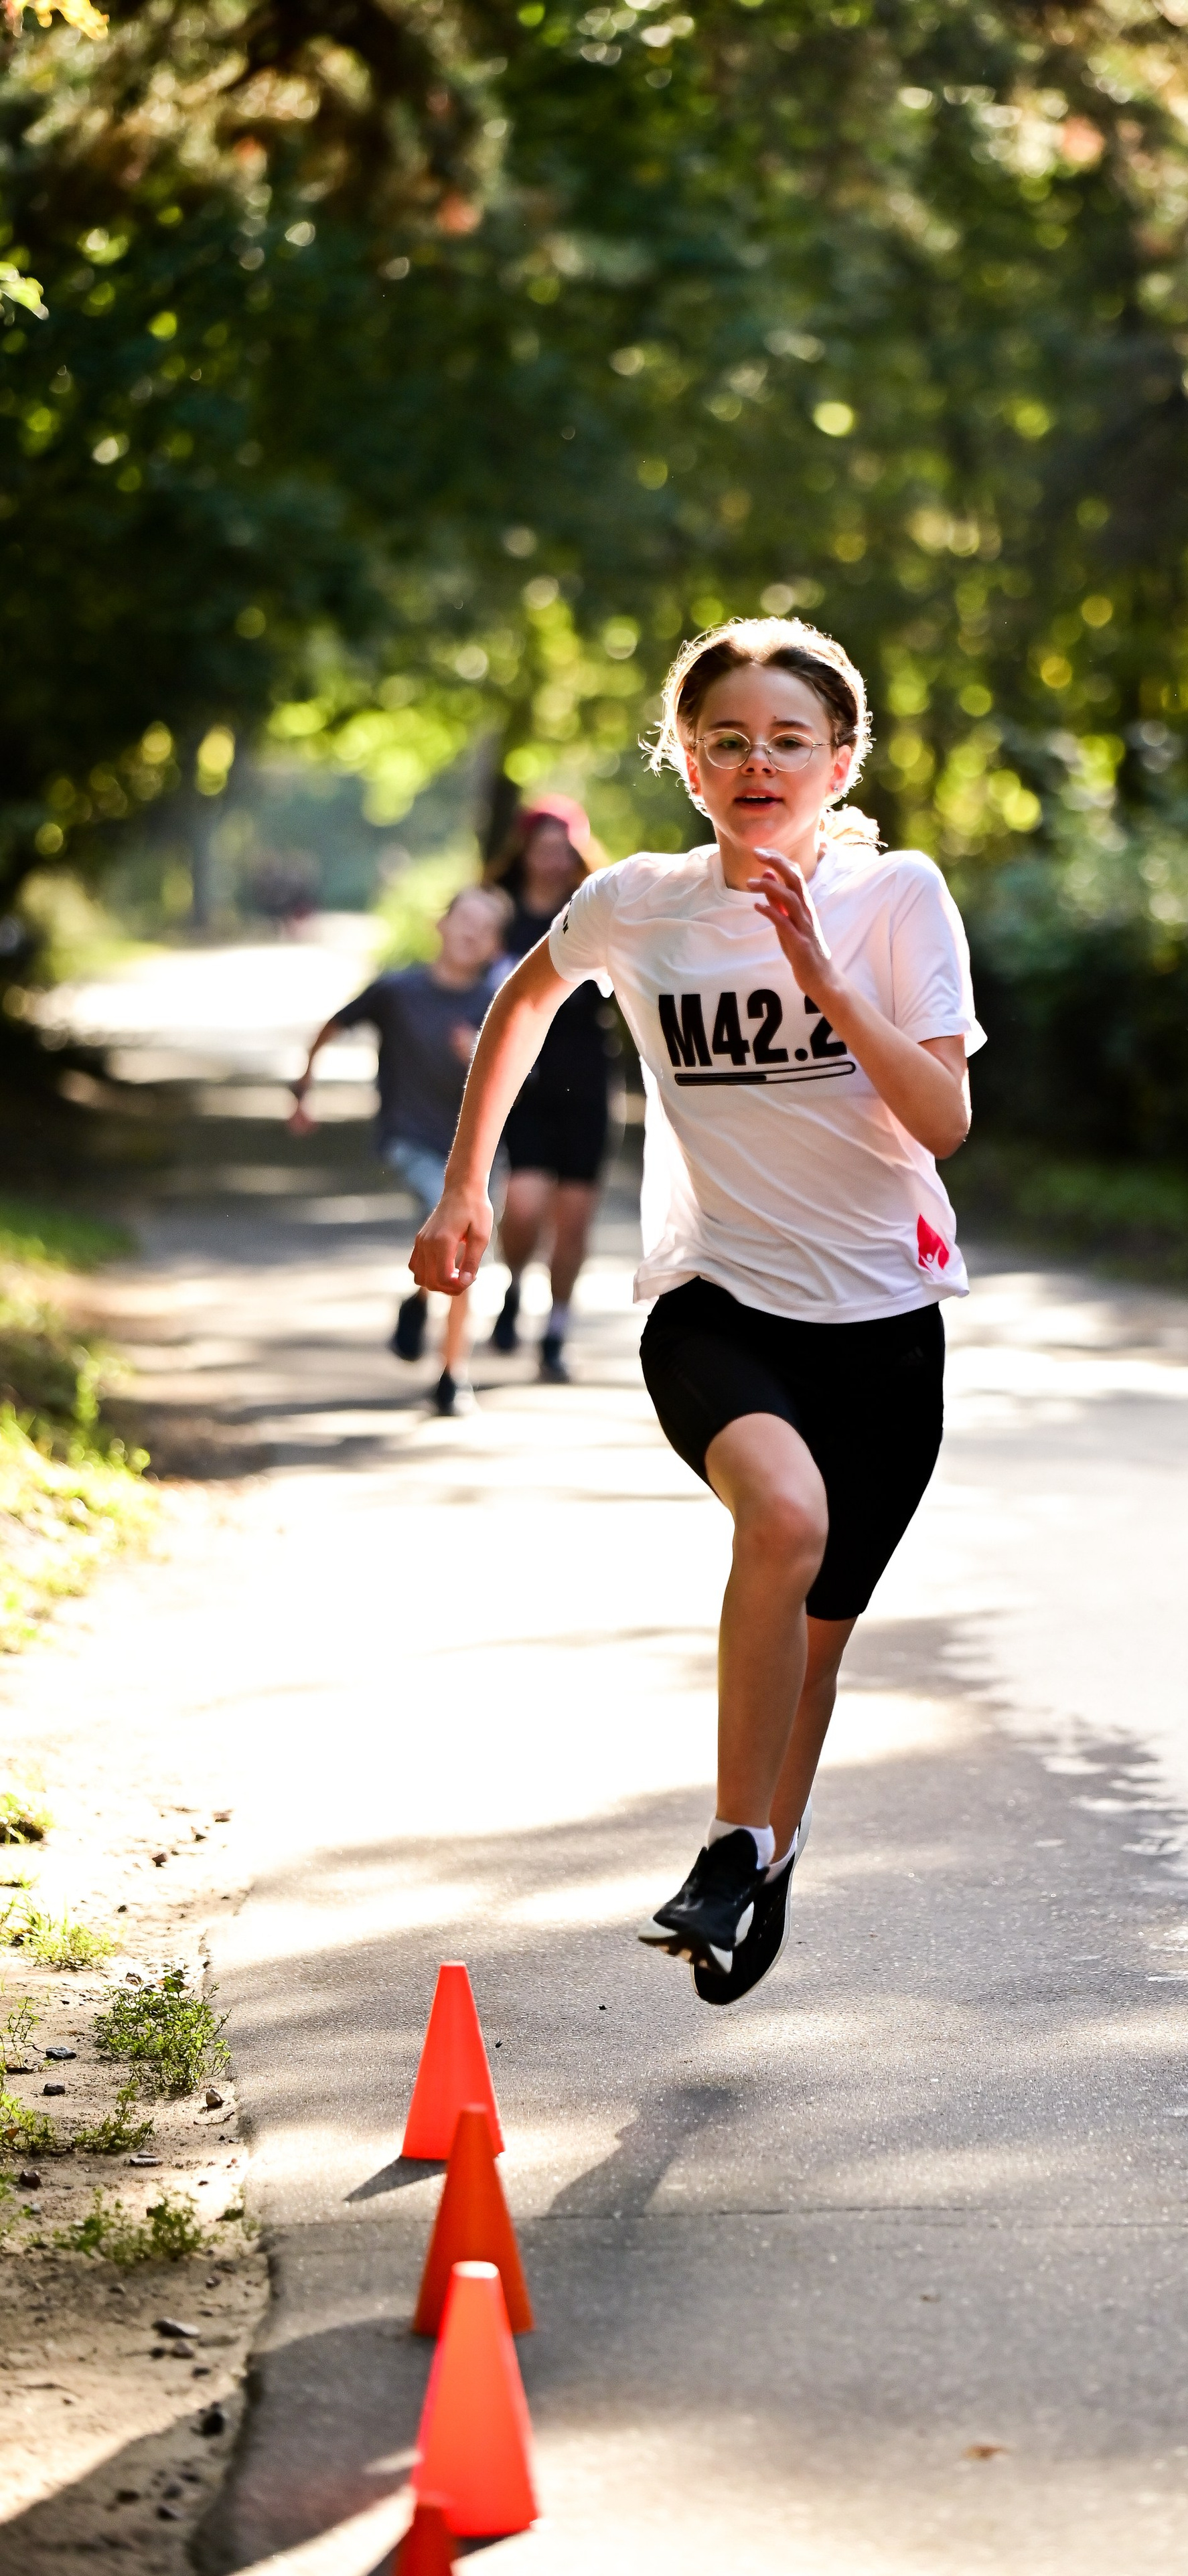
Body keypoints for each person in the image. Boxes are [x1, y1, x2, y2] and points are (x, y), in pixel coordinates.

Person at [411, 616, 982, 2004]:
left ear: (838, 761)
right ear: (682, 757)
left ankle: (766, 1853)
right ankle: (732, 1841)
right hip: (714, 1301)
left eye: (788, 739)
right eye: (724, 737)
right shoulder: (637, 904)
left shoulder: (896, 895)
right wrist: (462, 1189)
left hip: (886, 1326)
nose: (755, 761)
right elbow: (523, 1003)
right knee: (782, 1520)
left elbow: (945, 1119)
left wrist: (826, 977)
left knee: (819, 1643)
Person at [291, 884, 510, 1417]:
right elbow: (332, 1027)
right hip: (408, 1141)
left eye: (484, 929)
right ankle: (453, 1380)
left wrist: (481, 1058)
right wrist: (304, 1089)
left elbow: (527, 1082)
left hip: (476, 1155)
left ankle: (429, 1324)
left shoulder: (498, 1005)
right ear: (441, 925)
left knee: (460, 1250)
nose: (470, 934)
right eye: (464, 921)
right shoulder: (398, 990)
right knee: (457, 1239)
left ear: (493, 946)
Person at [483, 795, 615, 1383]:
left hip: (586, 1081)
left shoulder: (594, 911)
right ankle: (513, 1286)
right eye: (543, 849)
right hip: (524, 1084)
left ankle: (557, 1326)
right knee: (526, 1203)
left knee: (574, 1217)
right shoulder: (500, 914)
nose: (553, 860)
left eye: (564, 850)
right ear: (525, 852)